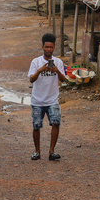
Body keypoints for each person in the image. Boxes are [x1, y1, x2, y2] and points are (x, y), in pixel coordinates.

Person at [28, 32, 67, 161]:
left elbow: (63, 80)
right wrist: (40, 70)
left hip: (52, 100)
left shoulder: (58, 62)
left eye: (51, 47)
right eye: (46, 47)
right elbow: (31, 80)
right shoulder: (36, 62)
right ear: (42, 47)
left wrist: (57, 70)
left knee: (56, 123)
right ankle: (37, 151)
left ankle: (51, 152)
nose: (49, 49)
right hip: (37, 100)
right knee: (36, 126)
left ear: (54, 47)